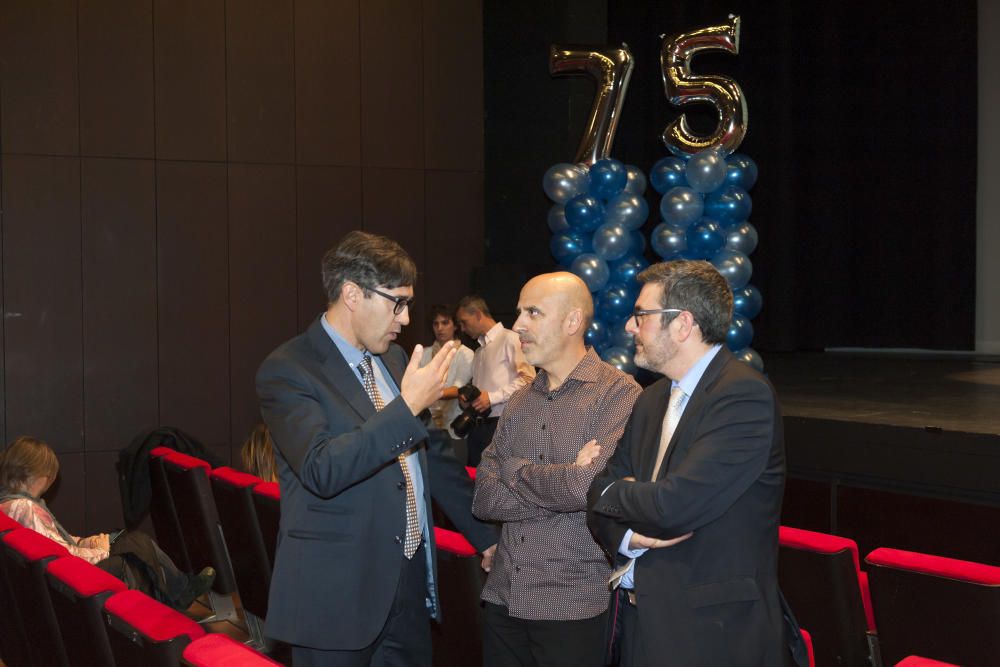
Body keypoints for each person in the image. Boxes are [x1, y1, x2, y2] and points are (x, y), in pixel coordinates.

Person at [256, 230, 497, 667]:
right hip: (335, 599)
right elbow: (322, 469)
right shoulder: (289, 369)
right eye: (397, 303)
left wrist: (485, 538)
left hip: (406, 590)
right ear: (352, 294)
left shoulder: (394, 360)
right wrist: (407, 408)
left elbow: (434, 459)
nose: (405, 319)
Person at [586, 260, 787, 667]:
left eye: (641, 315)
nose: (629, 327)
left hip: (710, 634)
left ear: (682, 325)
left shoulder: (743, 396)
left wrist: (613, 491)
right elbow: (596, 499)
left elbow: (674, 505)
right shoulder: (651, 399)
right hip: (639, 623)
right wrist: (628, 536)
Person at [472, 272, 641, 667]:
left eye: (533, 312)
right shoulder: (518, 401)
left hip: (572, 604)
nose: (518, 325)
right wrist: (563, 478)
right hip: (503, 596)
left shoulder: (619, 394)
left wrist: (511, 470)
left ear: (571, 322)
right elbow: (483, 498)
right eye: (519, 313)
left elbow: (586, 490)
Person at [0, 436, 214, 610]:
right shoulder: (24, 508)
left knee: (130, 539)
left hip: (60, 575)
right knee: (136, 548)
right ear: (38, 474)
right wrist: (101, 550)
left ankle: (177, 594)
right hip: (70, 578)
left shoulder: (10, 503)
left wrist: (85, 541)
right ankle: (172, 600)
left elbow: (51, 540)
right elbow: (60, 556)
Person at [454, 295, 535, 466]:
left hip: (505, 425)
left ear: (477, 314)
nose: (462, 328)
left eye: (464, 322)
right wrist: (469, 402)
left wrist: (491, 398)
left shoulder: (511, 338)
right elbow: (481, 393)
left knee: (501, 484)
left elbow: (529, 380)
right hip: (478, 429)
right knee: (477, 483)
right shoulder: (478, 353)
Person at [419, 304, 475, 463]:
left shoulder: (465, 353)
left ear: (455, 326)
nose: (440, 328)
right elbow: (416, 385)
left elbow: (458, 388)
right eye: (435, 324)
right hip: (427, 425)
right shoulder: (424, 353)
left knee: (456, 477)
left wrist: (427, 393)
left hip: (454, 425)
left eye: (445, 323)